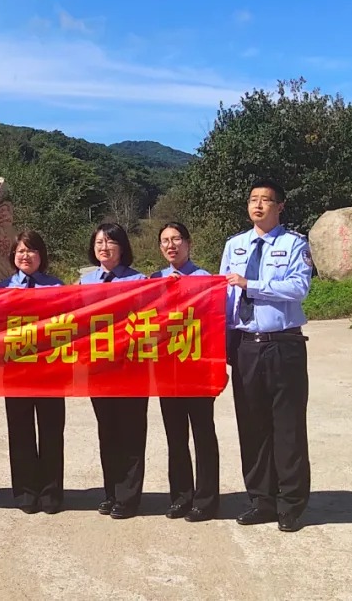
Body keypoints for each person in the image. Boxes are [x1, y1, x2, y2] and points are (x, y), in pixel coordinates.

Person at [222, 178, 312, 533]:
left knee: (287, 427)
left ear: (280, 206)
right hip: (246, 345)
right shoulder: (234, 246)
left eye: (265, 200)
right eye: (253, 200)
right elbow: (222, 298)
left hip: (283, 344)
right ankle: (261, 500)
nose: (258, 205)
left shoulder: (294, 244)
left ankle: (290, 504)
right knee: (252, 425)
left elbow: (299, 287)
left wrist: (253, 285)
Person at [149, 222, 219, 522]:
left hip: (198, 367)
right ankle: (180, 496)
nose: (171, 245)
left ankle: (207, 499)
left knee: (203, 434)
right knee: (175, 436)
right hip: (167, 368)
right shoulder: (154, 280)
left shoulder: (205, 278)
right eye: (165, 240)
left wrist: (186, 289)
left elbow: (214, 319)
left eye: (176, 239)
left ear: (188, 243)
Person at [80, 222, 147, 520]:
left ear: (122, 247)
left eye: (110, 242)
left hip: (131, 366)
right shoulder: (85, 282)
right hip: (99, 367)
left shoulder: (139, 280)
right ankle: (111, 492)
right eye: (99, 243)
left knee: (131, 431)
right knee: (107, 431)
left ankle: (128, 497)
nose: (104, 247)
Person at [0, 230, 65, 514]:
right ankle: (25, 491)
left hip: (50, 371)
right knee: (20, 432)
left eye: (31, 250)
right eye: (20, 251)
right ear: (13, 256)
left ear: (41, 255)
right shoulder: (2, 288)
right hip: (15, 371)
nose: (25, 256)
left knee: (51, 432)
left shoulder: (56, 287)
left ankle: (51, 493)